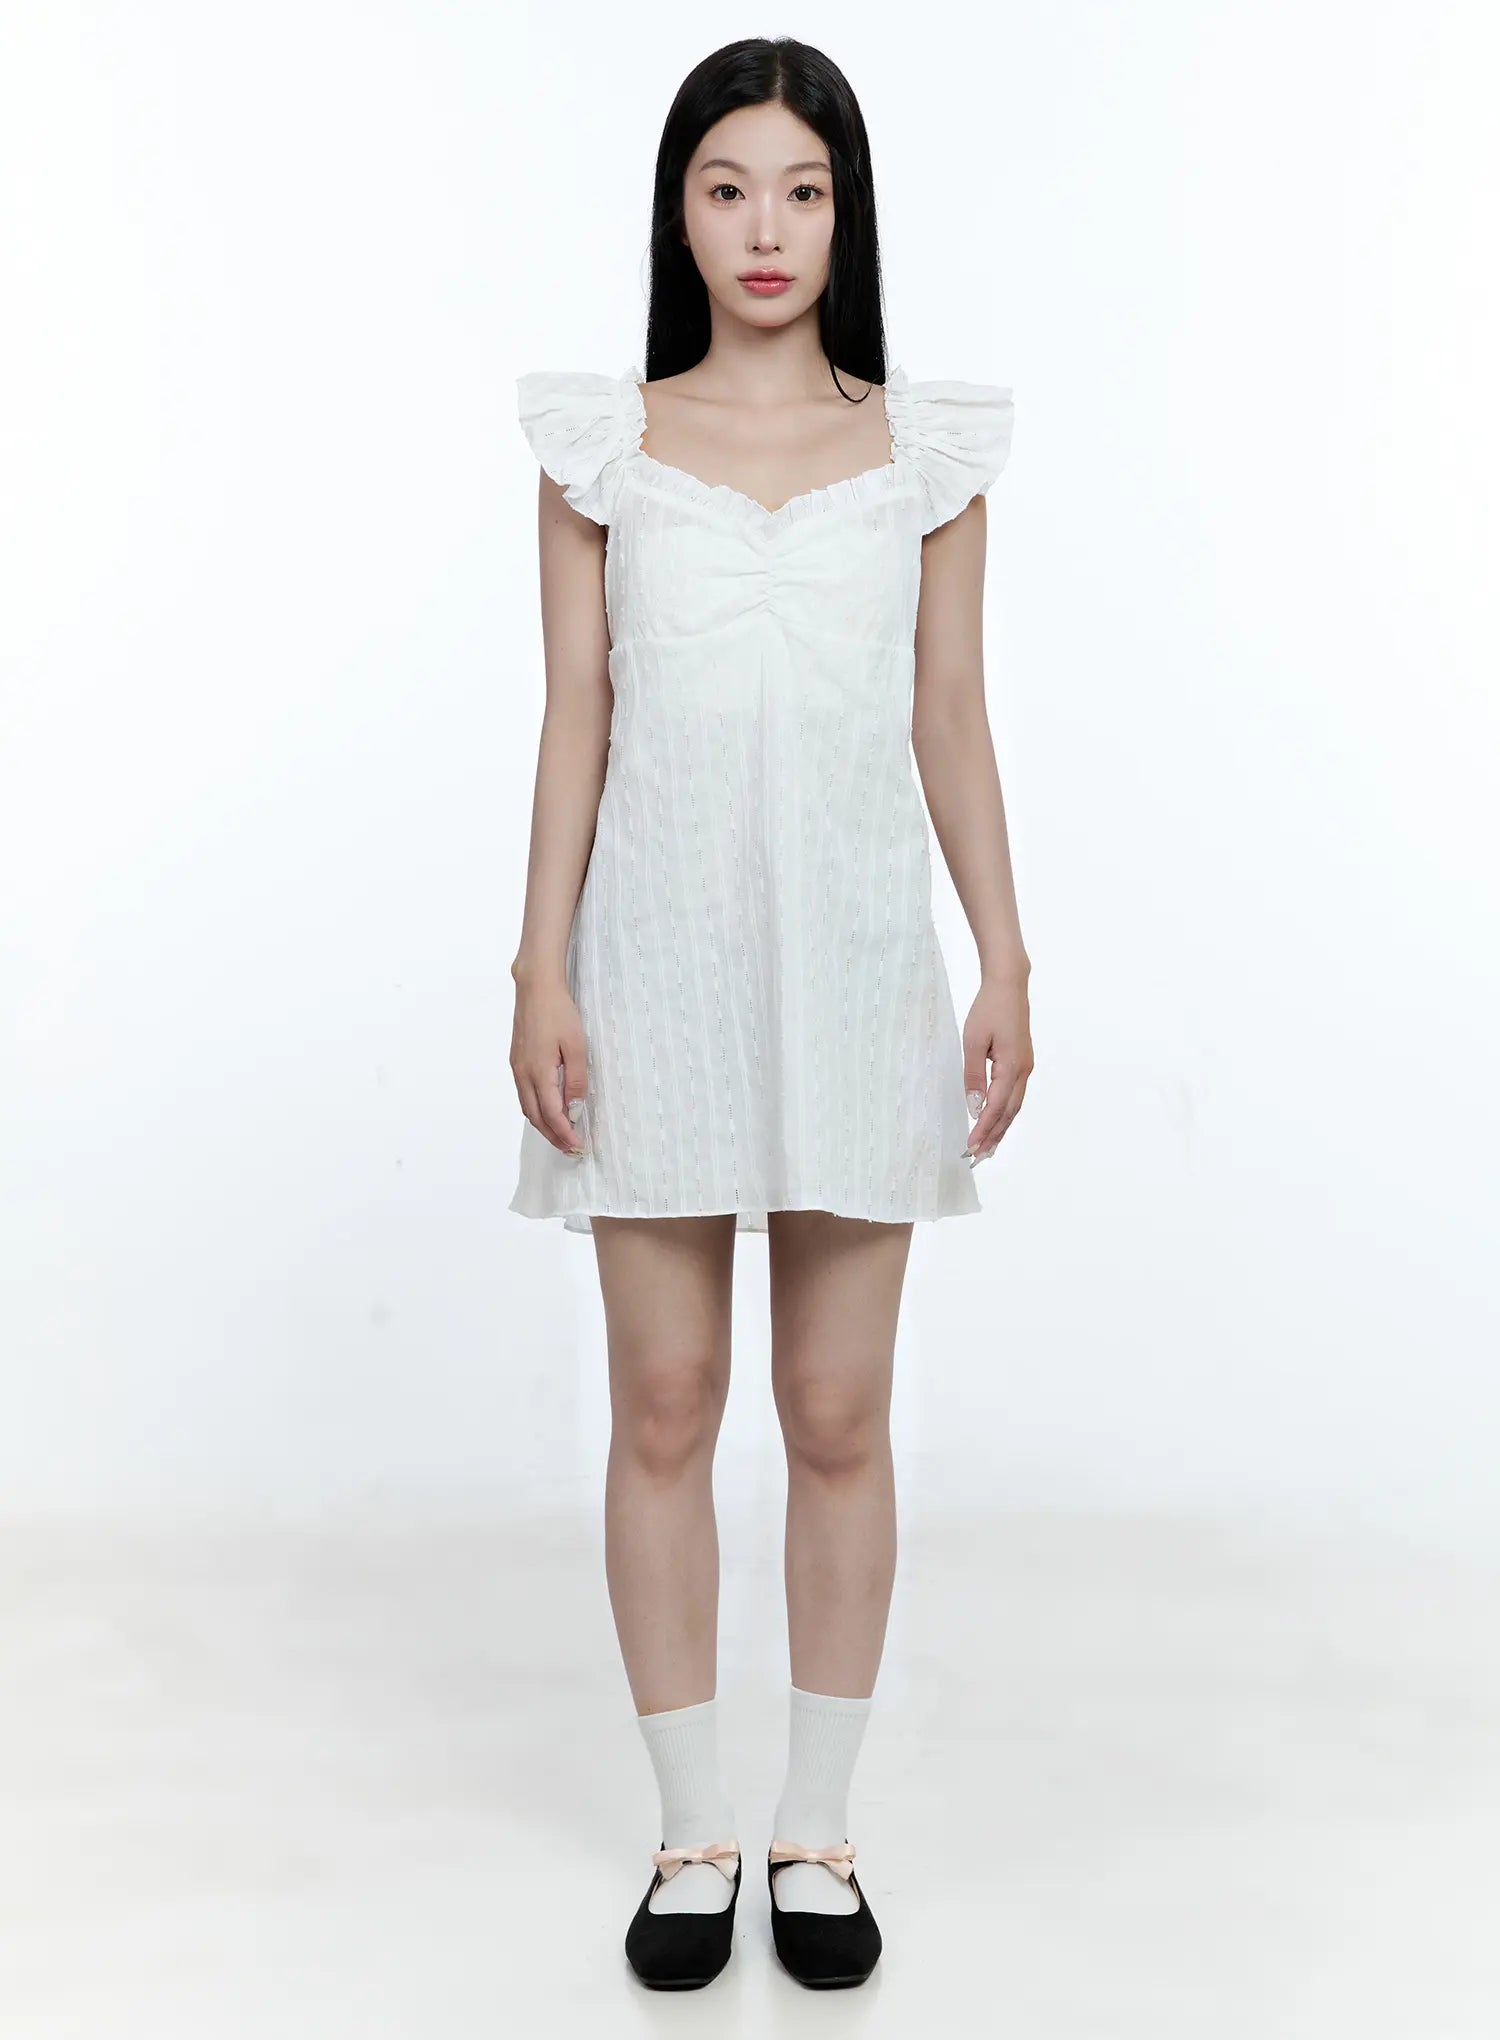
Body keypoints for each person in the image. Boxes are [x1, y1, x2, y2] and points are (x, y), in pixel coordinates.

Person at [508, 35, 1032, 1991]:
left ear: (846, 214)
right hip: (654, 963)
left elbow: (951, 715)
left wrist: (1006, 956)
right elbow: (577, 715)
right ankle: (689, 1835)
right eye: (728, 187)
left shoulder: (924, 457)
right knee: (665, 1402)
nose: (765, 228)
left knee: (835, 1410)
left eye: (802, 191)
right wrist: (539, 964)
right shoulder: (603, 447)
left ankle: (816, 1829)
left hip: (859, 960)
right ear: (679, 210)